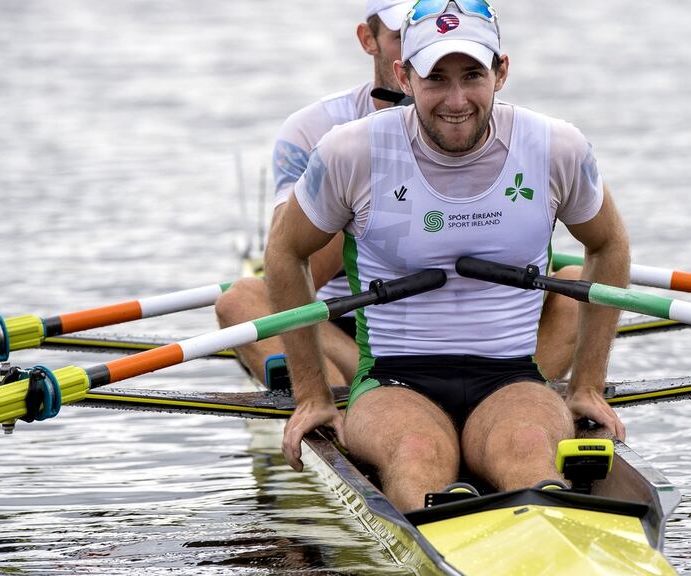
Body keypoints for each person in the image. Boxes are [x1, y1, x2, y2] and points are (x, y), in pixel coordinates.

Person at [269, 0, 629, 511]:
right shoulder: (352, 151)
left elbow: (608, 243)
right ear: (404, 76)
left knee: (528, 450)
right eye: (435, 78)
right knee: (416, 452)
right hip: (394, 378)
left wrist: (588, 384)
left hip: (510, 374)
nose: (456, 99)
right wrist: (312, 395)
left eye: (472, 75)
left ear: (501, 72)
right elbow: (285, 253)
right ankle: (445, 525)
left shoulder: (554, 146)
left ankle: (547, 528)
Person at [215, 0, 582, 388]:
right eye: (400, 37)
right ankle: (334, 396)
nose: (426, 51)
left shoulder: (479, 120)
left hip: (471, 323)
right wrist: (370, 197)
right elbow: (291, 257)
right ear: (371, 43)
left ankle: (518, 394)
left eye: (467, 68)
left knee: (578, 281)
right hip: (342, 312)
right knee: (239, 301)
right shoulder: (315, 130)